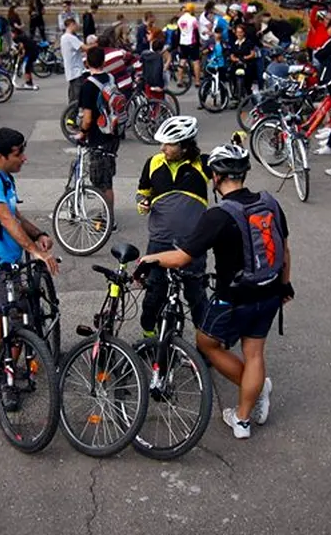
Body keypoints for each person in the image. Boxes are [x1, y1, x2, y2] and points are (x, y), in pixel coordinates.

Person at [138, 144, 293, 440]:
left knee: (207, 343)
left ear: (216, 177)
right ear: (244, 173)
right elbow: (284, 249)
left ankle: (254, 390)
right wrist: (285, 285)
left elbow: (182, 257)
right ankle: (243, 419)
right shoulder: (269, 201)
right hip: (270, 291)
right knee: (254, 352)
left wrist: (149, 260)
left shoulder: (219, 215)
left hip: (234, 296)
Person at [0, 129, 60, 384]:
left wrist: (38, 234)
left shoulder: (4, 178)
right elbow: (5, 218)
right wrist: (34, 252)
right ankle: (5, 377)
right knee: (19, 318)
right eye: (18, 153)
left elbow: (16, 215)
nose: (24, 158)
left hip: (9, 259)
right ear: (0, 156)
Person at [136, 116, 209, 336]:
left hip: (193, 244)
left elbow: (230, 176)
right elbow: (143, 192)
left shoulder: (203, 164)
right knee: (154, 293)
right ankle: (149, 334)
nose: (163, 148)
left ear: (185, 146)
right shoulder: (153, 162)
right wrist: (142, 203)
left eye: (169, 144)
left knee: (196, 294)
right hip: (159, 241)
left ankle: (206, 344)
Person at [78, 46, 121, 220]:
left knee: (103, 183)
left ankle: (109, 219)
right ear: (104, 61)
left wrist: (82, 133)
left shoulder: (88, 86)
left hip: (98, 137)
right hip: (113, 133)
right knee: (107, 178)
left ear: (87, 62)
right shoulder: (110, 78)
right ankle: (106, 214)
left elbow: (87, 118)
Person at [60, 18, 88, 104]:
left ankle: (70, 116)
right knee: (77, 99)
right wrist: (97, 44)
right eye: (76, 25)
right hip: (76, 72)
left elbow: (80, 49)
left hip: (71, 71)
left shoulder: (63, 37)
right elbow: (85, 48)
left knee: (72, 97)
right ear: (71, 24)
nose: (77, 27)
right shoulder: (70, 37)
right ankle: (73, 116)